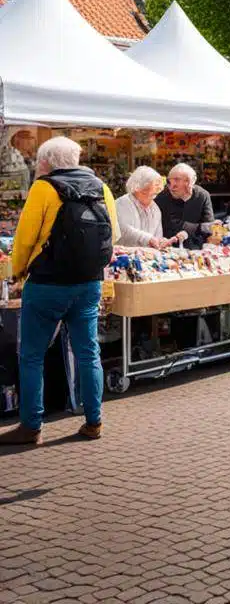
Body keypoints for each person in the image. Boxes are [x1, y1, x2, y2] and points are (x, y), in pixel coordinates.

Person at [0, 137, 119, 446]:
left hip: (47, 284)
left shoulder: (44, 188)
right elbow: (114, 234)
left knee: (31, 356)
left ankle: (31, 426)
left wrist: (17, 273)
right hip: (89, 282)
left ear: (46, 162)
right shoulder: (100, 186)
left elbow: (25, 238)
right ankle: (94, 422)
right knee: (88, 352)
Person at [156, 163, 213, 249]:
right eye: (169, 181)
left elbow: (208, 226)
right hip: (168, 248)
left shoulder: (202, 195)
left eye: (177, 180)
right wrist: (200, 227)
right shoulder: (162, 197)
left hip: (195, 248)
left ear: (189, 182)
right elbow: (171, 224)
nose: (171, 186)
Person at [115, 166, 172, 249]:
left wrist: (160, 241)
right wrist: (148, 239)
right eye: (156, 184)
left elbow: (157, 235)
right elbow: (123, 230)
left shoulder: (155, 208)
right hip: (123, 256)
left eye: (160, 184)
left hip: (147, 258)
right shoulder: (122, 203)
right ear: (141, 187)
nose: (160, 188)